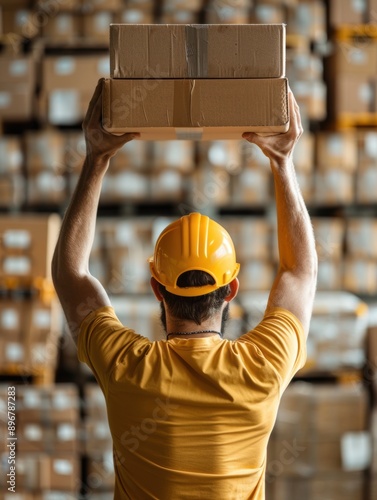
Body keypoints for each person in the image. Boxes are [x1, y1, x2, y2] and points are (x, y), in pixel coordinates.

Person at [52, 78, 317, 499]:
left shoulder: (127, 366)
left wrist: (97, 158)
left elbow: (69, 274)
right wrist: (283, 162)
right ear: (230, 290)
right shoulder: (264, 366)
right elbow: (300, 273)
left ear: (157, 288)